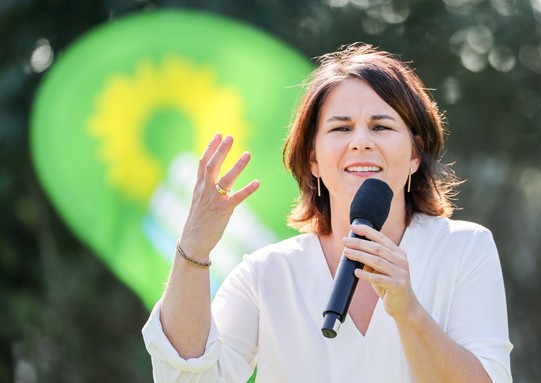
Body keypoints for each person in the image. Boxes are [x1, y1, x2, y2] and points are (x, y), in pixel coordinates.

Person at [142, 43, 513, 382]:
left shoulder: (465, 249)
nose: (361, 141)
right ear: (314, 159)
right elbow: (188, 377)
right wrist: (195, 244)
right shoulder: (267, 274)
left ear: (415, 154)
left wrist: (409, 311)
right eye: (341, 128)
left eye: (381, 126)